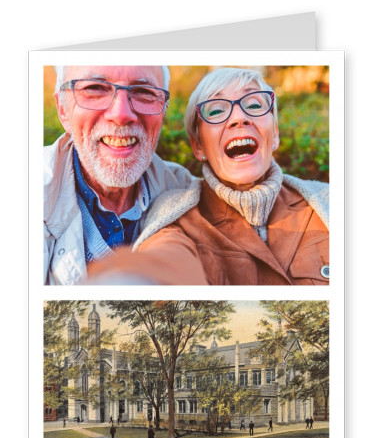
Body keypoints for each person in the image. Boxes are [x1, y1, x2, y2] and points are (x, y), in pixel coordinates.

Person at [91, 67, 329, 285]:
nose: (239, 118)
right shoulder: (177, 218)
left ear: (274, 133)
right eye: (216, 110)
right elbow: (164, 260)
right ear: (198, 146)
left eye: (255, 105)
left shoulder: (328, 202)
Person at [44, 65, 198, 285]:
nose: (121, 114)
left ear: (163, 110)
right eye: (95, 88)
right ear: (62, 109)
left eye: (144, 92)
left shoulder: (187, 193)